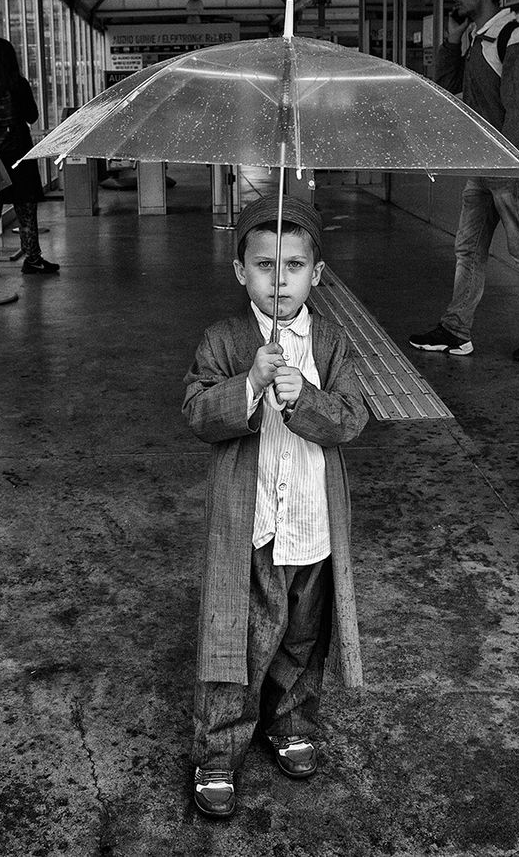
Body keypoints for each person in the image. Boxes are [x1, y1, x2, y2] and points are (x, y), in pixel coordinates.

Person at [182, 195, 370, 819]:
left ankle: (289, 721)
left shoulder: (334, 342)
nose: (280, 280)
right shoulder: (224, 340)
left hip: (312, 523)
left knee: (300, 635)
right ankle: (219, 748)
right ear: (241, 271)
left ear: (317, 274)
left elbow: (350, 420)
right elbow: (198, 415)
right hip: (254, 523)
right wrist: (251, 384)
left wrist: (302, 398)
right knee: (237, 633)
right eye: (265, 265)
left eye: (294, 266)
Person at [408, 0, 519, 362]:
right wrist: (450, 41)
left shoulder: (513, 37)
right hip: (484, 166)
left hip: (508, 167)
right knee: (468, 250)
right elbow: (446, 86)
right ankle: (456, 330)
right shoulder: (481, 38)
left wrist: (508, 164)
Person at [0, 37, 57, 276]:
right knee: (25, 207)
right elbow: (32, 116)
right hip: (17, 153)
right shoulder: (18, 84)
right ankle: (32, 258)